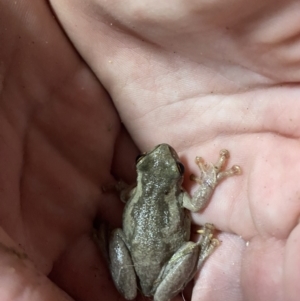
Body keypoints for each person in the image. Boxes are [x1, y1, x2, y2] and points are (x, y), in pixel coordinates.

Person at [0, 0, 299, 300]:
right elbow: (195, 206)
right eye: (144, 161)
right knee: (189, 247)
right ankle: (198, 254)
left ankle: (126, 250)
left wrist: (121, 189)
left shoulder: (135, 192)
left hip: (144, 271)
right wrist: (209, 180)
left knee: (122, 243)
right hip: (156, 268)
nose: (162, 154)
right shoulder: (176, 196)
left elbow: (125, 194)